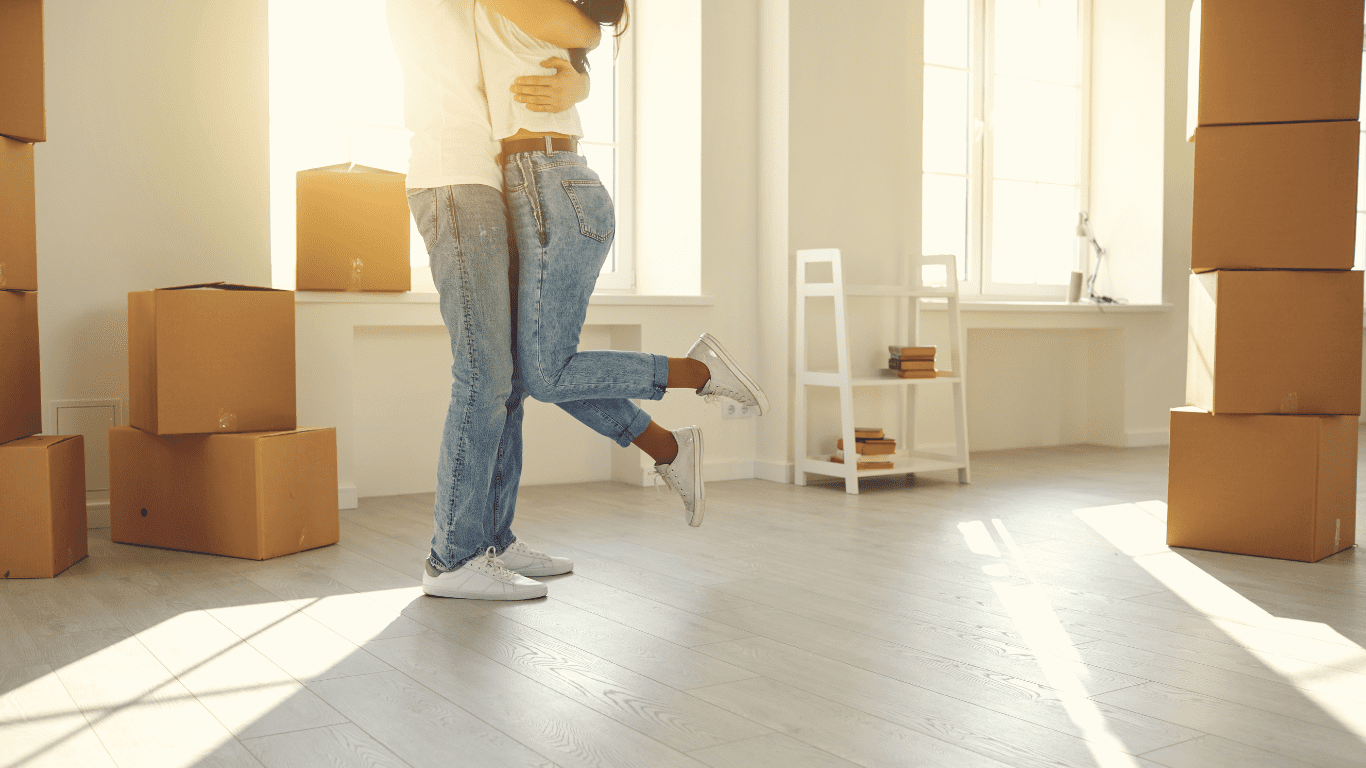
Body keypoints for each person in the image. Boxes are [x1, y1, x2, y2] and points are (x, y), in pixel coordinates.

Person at [473, 0, 767, 532]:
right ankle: (669, 447)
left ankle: (696, 372)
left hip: (550, 185)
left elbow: (583, 29)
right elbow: (583, 31)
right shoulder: (546, 19)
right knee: (538, 371)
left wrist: (582, 72)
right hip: (538, 186)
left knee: (545, 373)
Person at [387, 0, 603, 601]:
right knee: (484, 374)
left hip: (487, 175)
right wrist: (587, 52)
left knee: (505, 378)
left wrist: (578, 76)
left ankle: (494, 540)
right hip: (454, 179)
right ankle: (452, 558)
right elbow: (577, 21)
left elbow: (550, 31)